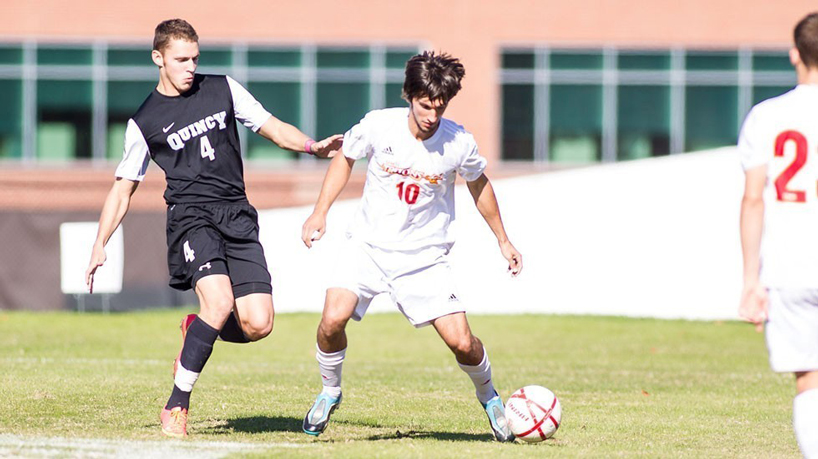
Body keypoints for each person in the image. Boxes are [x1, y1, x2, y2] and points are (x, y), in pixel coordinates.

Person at [84, 19, 342, 438]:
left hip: (236, 214)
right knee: (219, 303)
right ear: (159, 58)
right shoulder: (145, 121)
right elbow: (123, 188)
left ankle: (194, 329)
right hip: (191, 218)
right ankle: (176, 405)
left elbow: (272, 127)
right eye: (181, 59)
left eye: (195, 58)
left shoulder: (223, 88)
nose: (190, 67)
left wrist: (313, 147)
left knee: (259, 323)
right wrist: (99, 242)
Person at [299, 51, 522, 442]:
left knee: (463, 343)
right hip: (367, 246)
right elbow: (344, 158)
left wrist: (503, 240)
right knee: (332, 320)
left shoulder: (458, 142)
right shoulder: (378, 125)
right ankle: (329, 392)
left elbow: (479, 184)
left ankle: (490, 398)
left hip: (424, 257)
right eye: (424, 105)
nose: (432, 116)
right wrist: (320, 213)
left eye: (440, 107)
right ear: (409, 95)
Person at [739, 12, 818, 458]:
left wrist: (752, 280)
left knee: (809, 379)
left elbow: (753, 200)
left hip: (791, 267)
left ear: (795, 55)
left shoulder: (767, 116)